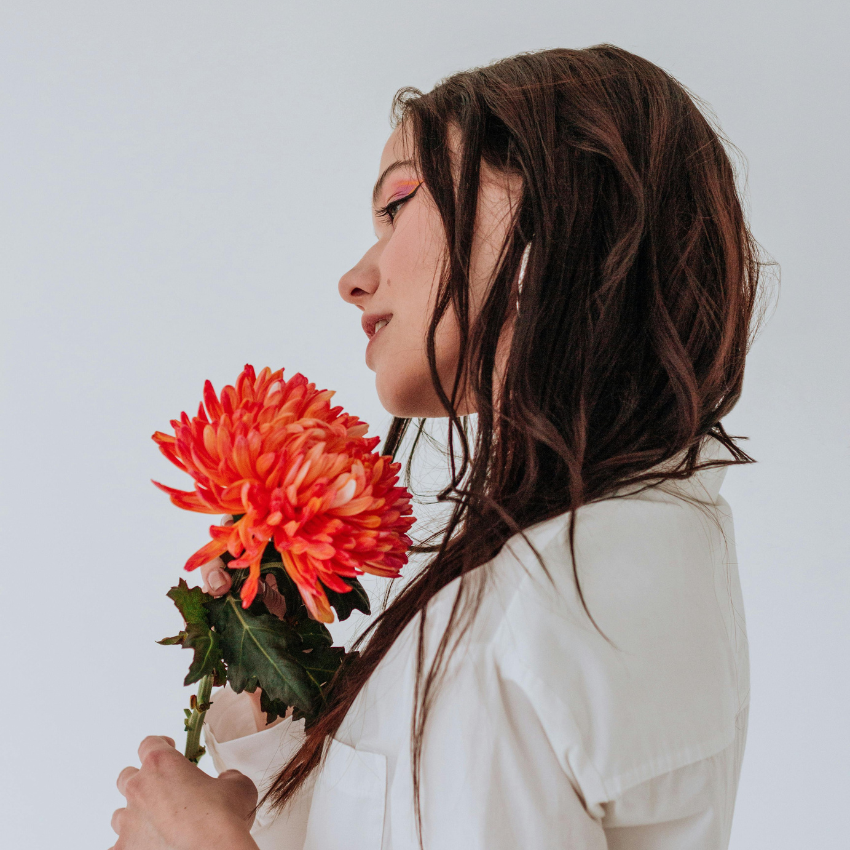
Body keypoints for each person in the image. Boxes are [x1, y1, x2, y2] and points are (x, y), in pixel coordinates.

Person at [111, 44, 763, 850]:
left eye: (398, 205)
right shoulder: (635, 546)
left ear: (551, 210)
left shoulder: (533, 605)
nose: (355, 278)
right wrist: (271, 719)